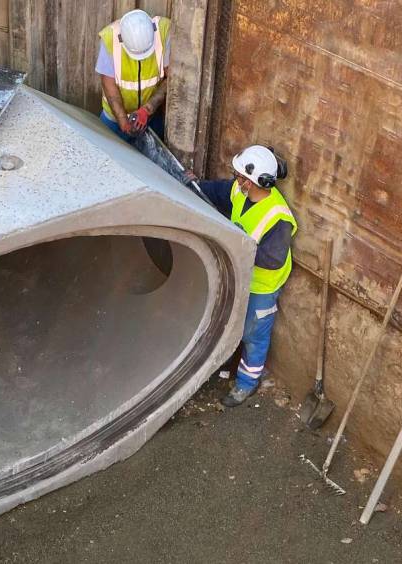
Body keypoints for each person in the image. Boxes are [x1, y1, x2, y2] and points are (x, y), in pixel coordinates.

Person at [186, 145, 298, 407]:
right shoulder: (241, 191)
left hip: (261, 286)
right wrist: (196, 185)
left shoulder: (277, 217)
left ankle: (247, 383)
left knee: (253, 332)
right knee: (228, 318)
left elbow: (273, 259)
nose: (236, 181)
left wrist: (234, 246)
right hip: (240, 274)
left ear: (253, 181)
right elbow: (222, 192)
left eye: (240, 177)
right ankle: (224, 361)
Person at [94, 9, 171, 143]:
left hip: (151, 118)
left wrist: (147, 110)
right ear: (122, 39)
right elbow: (109, 86)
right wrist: (123, 121)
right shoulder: (109, 39)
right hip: (114, 119)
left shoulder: (163, 31)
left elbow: (171, 80)